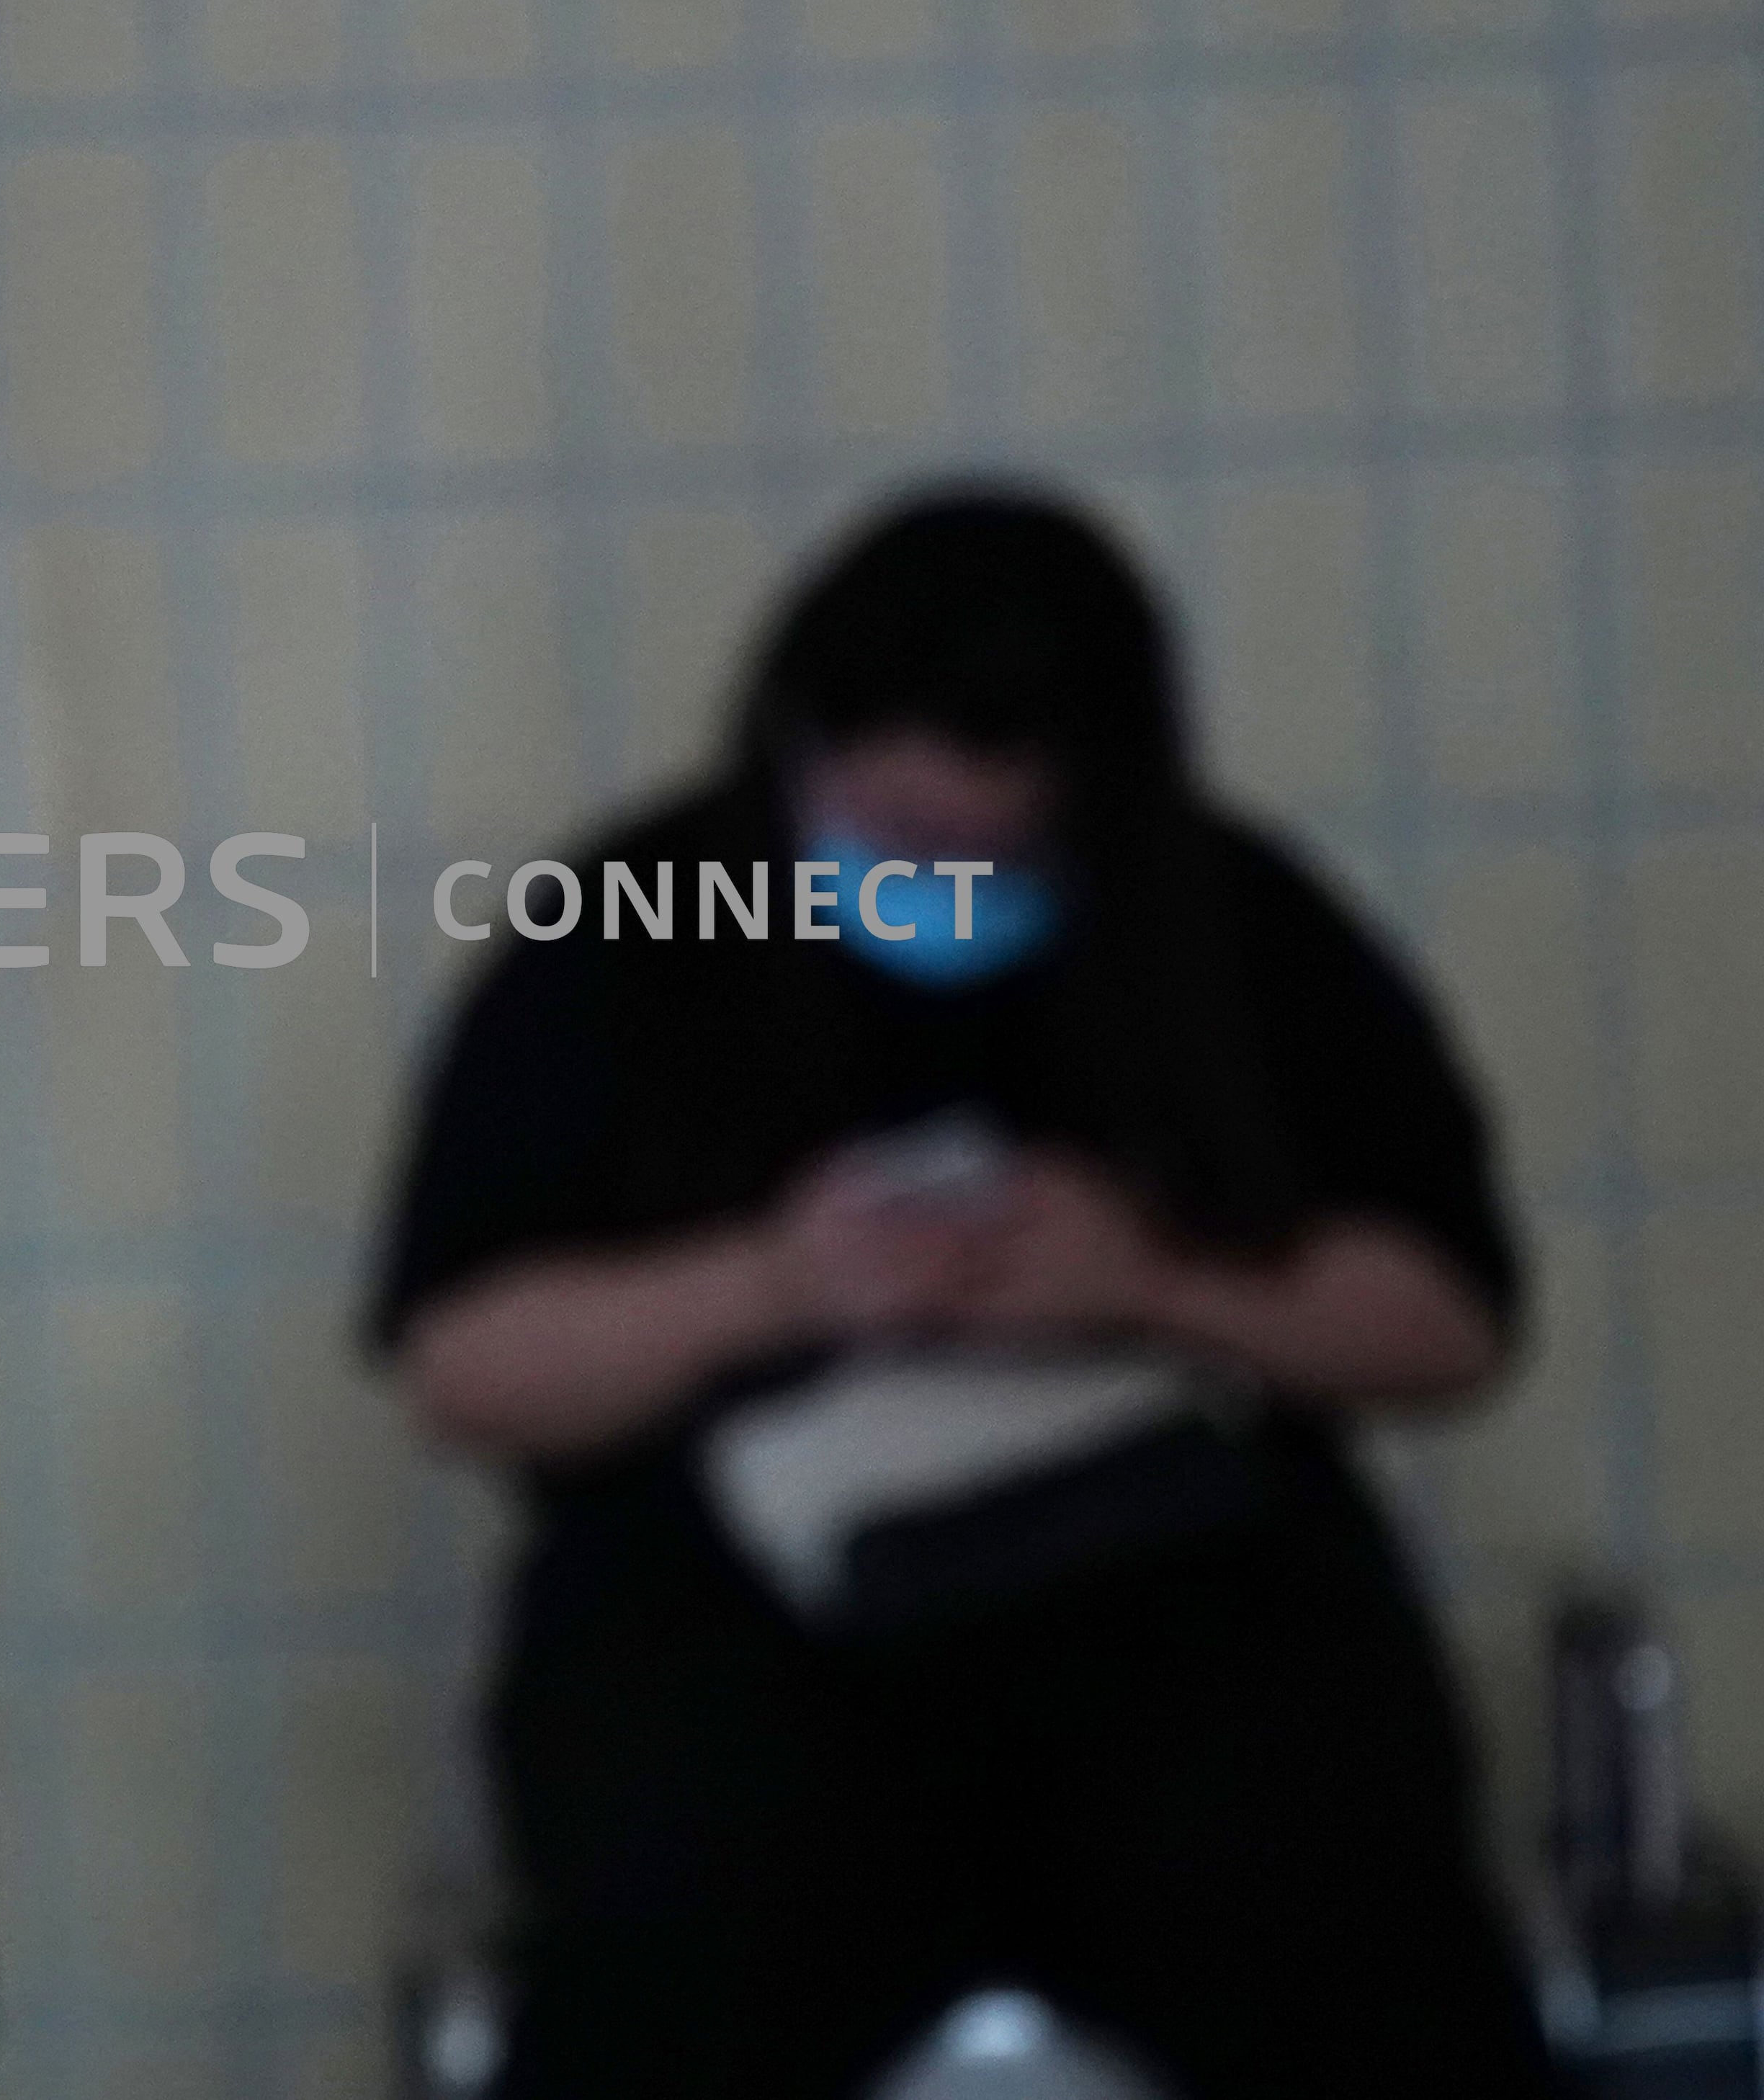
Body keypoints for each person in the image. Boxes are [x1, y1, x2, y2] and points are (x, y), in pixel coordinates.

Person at [374, 487, 1557, 2096]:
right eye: (885, 843)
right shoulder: (629, 929)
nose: (928, 892)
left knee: (1342, 1916)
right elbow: (462, 1361)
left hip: (1181, 1612)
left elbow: (1447, 1317)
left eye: (981, 855)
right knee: (684, 1924)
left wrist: (1160, 1282)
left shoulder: (1231, 923)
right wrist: (774, 1283)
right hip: (741, 1625)